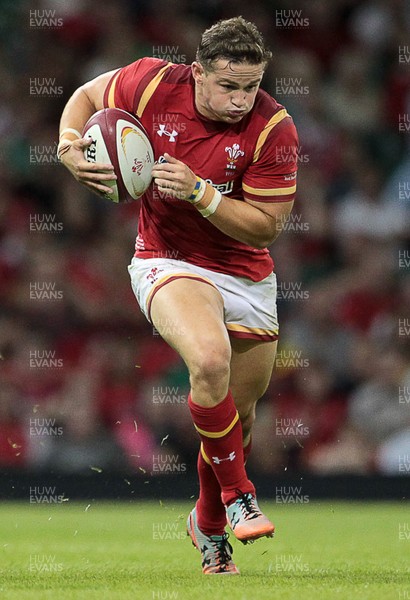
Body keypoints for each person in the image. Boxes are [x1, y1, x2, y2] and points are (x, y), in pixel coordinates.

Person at [58, 16, 298, 575]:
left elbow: (265, 228)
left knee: (238, 418)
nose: (242, 100)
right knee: (209, 360)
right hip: (167, 259)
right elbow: (86, 95)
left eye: (251, 86)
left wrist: (200, 193)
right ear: (197, 73)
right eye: (228, 86)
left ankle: (208, 526)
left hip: (246, 272)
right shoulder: (150, 83)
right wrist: (69, 145)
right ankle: (241, 494)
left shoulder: (274, 129)